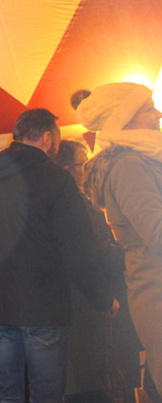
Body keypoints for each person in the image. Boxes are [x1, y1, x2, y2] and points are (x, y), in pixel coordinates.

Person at [0, 108, 112, 402]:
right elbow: (79, 250)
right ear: (48, 139)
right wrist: (102, 296)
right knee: (46, 394)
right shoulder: (57, 180)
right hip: (44, 307)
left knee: (5, 392)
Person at [77, 83, 162, 399]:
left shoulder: (143, 159)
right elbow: (156, 229)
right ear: (124, 119)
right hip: (157, 285)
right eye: (148, 109)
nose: (158, 115)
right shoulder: (128, 165)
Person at [55, 139, 135, 403]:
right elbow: (93, 255)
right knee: (94, 381)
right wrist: (126, 250)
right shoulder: (74, 206)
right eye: (83, 164)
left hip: (88, 301)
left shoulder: (78, 202)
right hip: (88, 304)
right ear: (68, 169)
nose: (88, 169)